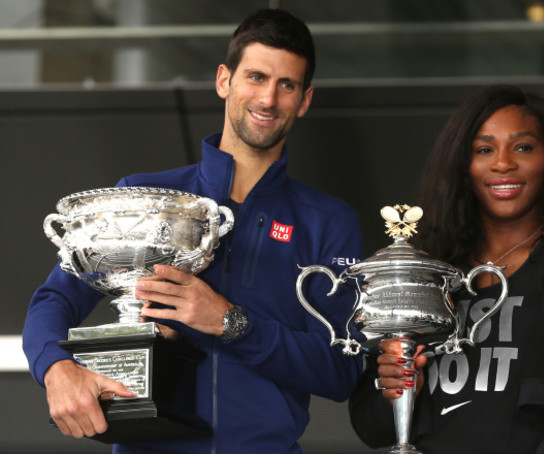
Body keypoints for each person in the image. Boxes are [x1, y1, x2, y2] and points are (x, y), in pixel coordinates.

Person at [23, 9, 364, 454]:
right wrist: (56, 369)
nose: (268, 99)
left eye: (287, 85)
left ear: (304, 99)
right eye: (256, 77)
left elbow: (342, 371)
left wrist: (231, 323)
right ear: (224, 80)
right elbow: (55, 300)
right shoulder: (145, 198)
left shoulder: (329, 222)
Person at [348, 85, 544, 453]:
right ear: (461, 164)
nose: (503, 163)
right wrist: (395, 392)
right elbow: (371, 429)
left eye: (523, 147)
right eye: (484, 149)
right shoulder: (428, 271)